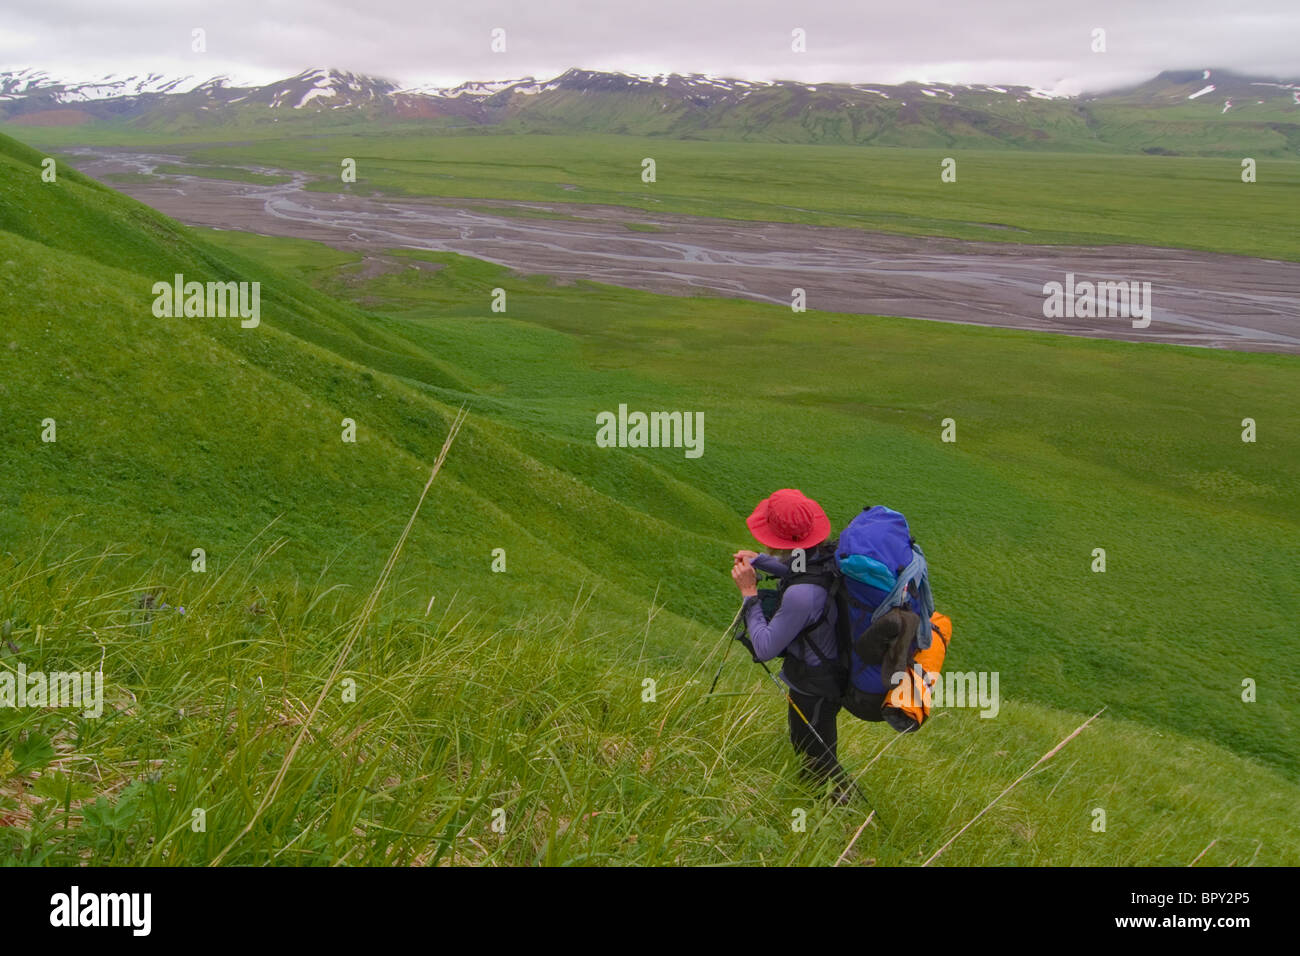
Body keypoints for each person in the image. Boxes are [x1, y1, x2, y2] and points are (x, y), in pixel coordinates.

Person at [731, 488, 852, 800]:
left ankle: (834, 810)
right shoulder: (821, 555)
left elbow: (764, 647)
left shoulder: (802, 596)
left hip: (814, 686)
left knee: (814, 754)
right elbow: (797, 568)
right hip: (826, 672)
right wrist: (761, 561)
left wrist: (749, 594)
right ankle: (824, 801)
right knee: (815, 748)